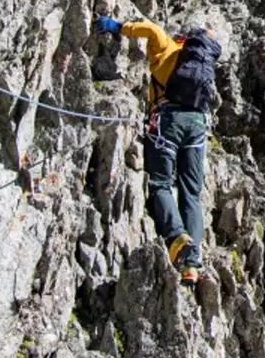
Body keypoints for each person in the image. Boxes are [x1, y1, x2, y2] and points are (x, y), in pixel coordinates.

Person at [94, 15, 222, 285]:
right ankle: (191, 264)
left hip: (167, 120)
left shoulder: (167, 47)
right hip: (198, 124)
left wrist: (117, 27)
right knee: (191, 193)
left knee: (161, 184)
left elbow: (151, 29)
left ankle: (177, 237)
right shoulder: (202, 65)